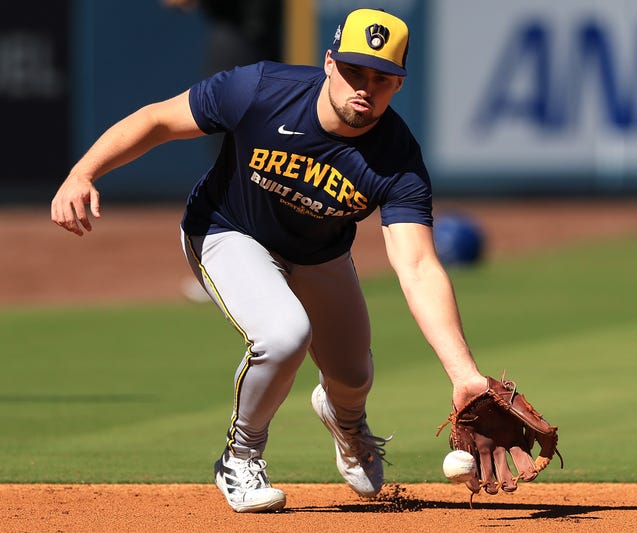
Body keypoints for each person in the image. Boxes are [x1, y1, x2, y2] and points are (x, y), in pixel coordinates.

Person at [51, 8, 492, 513]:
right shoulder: (260, 90)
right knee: (284, 334)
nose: (365, 87)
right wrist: (82, 172)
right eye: (353, 70)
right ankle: (239, 459)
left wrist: (464, 375)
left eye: (382, 78)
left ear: (398, 83)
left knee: (352, 375)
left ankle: (346, 423)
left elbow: (417, 266)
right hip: (227, 230)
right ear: (328, 63)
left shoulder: (398, 160)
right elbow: (158, 120)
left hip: (319, 251)